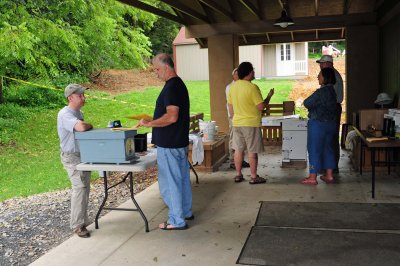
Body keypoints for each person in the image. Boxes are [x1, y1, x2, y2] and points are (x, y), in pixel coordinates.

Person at [139, 53, 193, 230]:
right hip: (178, 142)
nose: (155, 72)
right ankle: (185, 212)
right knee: (181, 180)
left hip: (170, 144)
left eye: (157, 69)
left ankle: (176, 220)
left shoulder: (171, 87)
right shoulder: (179, 85)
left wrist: (150, 123)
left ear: (167, 67)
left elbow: (171, 117)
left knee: (170, 183)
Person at [227, 62, 274, 184]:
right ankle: (253, 176)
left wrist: (234, 118)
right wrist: (269, 96)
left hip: (236, 123)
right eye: (252, 71)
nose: (254, 72)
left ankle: (238, 175)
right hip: (251, 123)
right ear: (248, 73)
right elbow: (260, 106)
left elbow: (230, 107)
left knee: (238, 150)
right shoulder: (252, 87)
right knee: (252, 151)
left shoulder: (233, 87)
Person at [57, 84, 93, 238]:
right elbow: (82, 128)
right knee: (79, 188)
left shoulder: (79, 113)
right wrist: (88, 125)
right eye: (80, 95)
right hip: (71, 157)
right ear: (70, 97)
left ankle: (82, 221)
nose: (83, 98)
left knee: (85, 188)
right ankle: (77, 226)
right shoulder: (65, 114)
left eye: (84, 95)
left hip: (82, 155)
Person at [301, 68, 339, 185]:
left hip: (318, 124)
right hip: (331, 124)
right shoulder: (332, 91)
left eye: (320, 75)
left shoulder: (321, 92)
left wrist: (314, 106)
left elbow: (307, 102)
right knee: (328, 149)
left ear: (325, 77)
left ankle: (312, 177)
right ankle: (329, 175)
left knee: (314, 149)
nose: (318, 77)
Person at [316, 55, 343, 172]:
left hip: (332, 109)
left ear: (328, 63)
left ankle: (331, 167)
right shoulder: (330, 74)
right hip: (332, 108)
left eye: (322, 63)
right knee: (330, 137)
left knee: (331, 138)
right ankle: (330, 167)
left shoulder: (332, 76)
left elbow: (327, 96)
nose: (320, 66)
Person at [225, 68, 250, 169]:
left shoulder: (240, 86)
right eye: (236, 74)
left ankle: (240, 160)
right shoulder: (230, 87)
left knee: (241, 139)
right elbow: (232, 103)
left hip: (241, 116)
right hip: (234, 116)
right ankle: (232, 160)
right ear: (233, 76)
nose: (238, 75)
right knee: (233, 138)